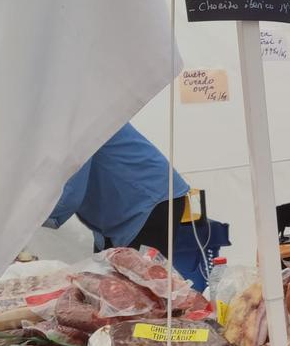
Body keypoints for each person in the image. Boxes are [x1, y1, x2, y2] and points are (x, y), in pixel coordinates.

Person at [44, 123, 222, 287]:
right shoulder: (60, 123)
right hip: (124, 209)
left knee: (139, 289)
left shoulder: (72, 121)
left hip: (150, 200)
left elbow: (70, 191)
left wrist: (33, 219)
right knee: (108, 282)